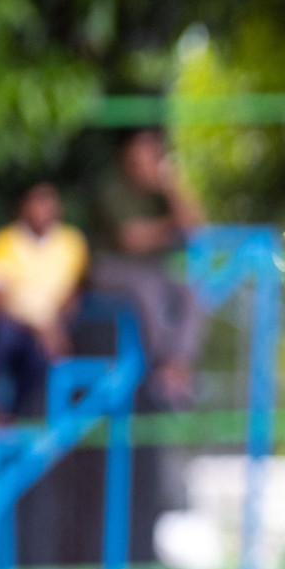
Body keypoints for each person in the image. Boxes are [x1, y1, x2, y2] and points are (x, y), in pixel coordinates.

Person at [91, 129, 206, 407]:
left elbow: (195, 227)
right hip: (111, 266)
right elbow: (131, 240)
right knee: (147, 288)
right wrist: (169, 227)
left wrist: (173, 185)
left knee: (191, 290)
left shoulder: (163, 190)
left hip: (152, 267)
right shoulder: (112, 187)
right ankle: (163, 365)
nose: (149, 159)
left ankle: (178, 366)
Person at [0, 182, 88, 424]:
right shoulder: (1, 243)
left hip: (48, 330)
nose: (44, 209)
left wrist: (53, 327)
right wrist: (37, 324)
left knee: (40, 354)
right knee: (0, 332)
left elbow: (72, 293)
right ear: (22, 207)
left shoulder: (72, 243)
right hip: (12, 325)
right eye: (37, 201)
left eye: (49, 201)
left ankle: (10, 414)